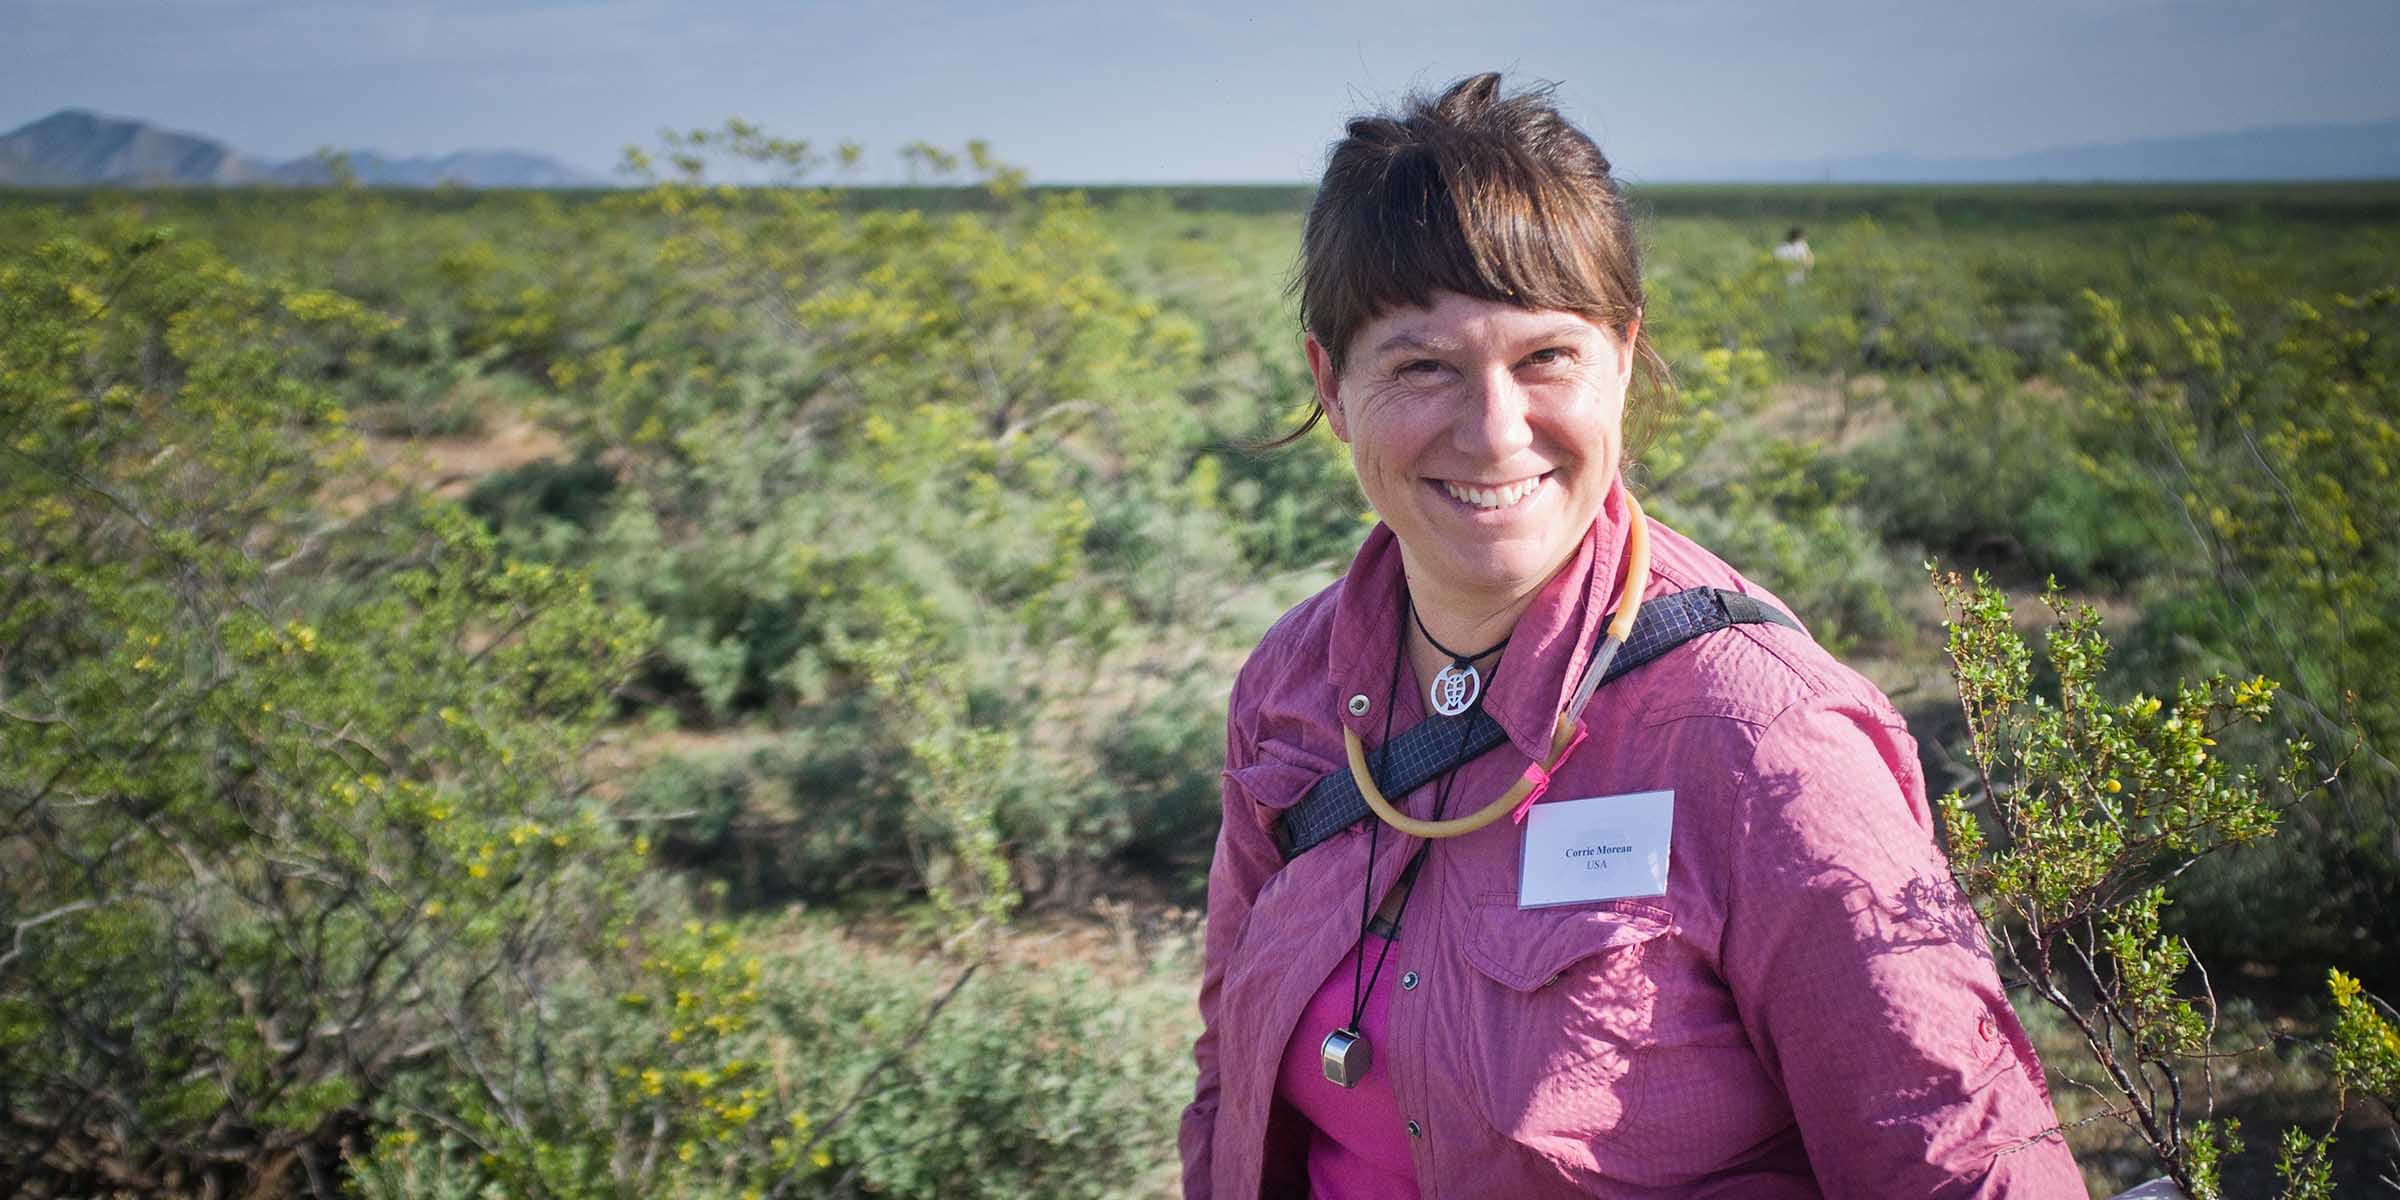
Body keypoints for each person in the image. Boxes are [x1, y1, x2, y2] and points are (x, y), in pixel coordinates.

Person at [1180, 74, 2083, 1199]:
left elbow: (1958, 1165)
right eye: (1422, 366)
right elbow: (1229, 1082)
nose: (1496, 430)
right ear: (1332, 380)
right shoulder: (1294, 689)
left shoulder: (1759, 739)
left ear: (1621, 356)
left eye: (1546, 357)